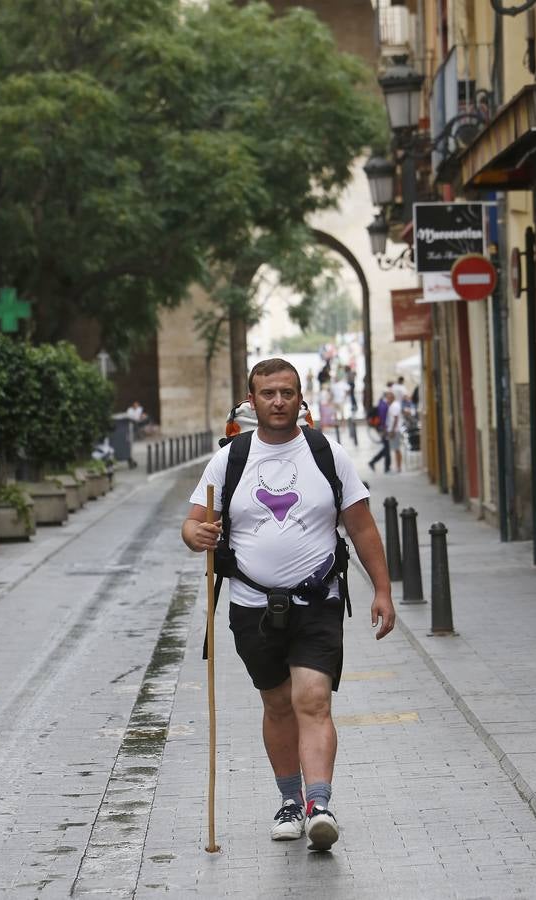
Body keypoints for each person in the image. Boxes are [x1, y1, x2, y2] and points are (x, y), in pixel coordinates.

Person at [182, 358, 395, 852]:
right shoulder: (230, 459)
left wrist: (382, 590)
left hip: (318, 599)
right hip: (251, 604)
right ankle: (289, 802)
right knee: (277, 704)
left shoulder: (327, 454)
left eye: (287, 393)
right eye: (268, 394)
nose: (278, 402)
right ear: (251, 401)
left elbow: (361, 527)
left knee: (313, 699)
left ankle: (319, 805)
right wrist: (198, 534)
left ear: (302, 399)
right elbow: (192, 525)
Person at [368, 389, 392, 473]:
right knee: (387, 448)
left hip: (381, 428)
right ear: (387, 395)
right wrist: (383, 430)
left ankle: (373, 462)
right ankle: (386, 468)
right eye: (390, 395)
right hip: (383, 429)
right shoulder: (384, 405)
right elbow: (382, 418)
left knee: (386, 448)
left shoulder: (382, 403)